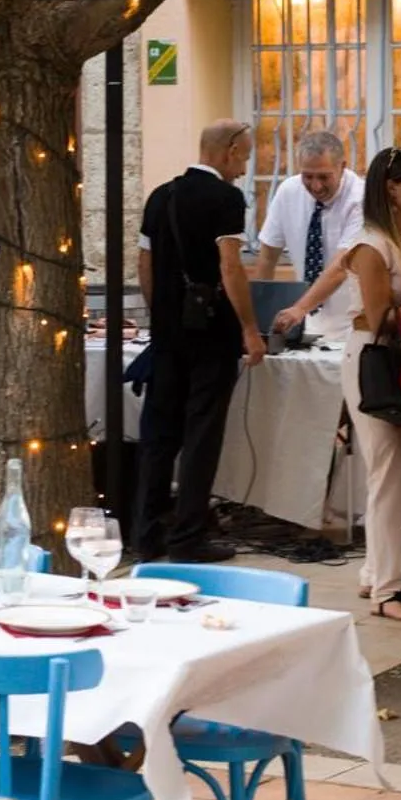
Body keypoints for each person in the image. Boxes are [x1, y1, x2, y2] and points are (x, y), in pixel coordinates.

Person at [136, 120, 265, 563]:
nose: (245, 166)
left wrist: (161, 316)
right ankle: (187, 538)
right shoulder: (226, 199)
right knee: (201, 435)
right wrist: (250, 328)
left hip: (167, 334)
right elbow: (231, 266)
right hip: (212, 333)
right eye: (245, 156)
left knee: (160, 434)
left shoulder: (161, 195)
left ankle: (146, 532)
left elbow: (144, 263)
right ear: (229, 151)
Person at [341, 147, 401, 623]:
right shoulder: (371, 245)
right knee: (387, 472)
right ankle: (386, 589)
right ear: (391, 189)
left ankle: (378, 570)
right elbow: (379, 316)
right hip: (373, 360)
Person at [260, 130, 365, 343]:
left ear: (342, 167)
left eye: (324, 177)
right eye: (308, 177)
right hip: (304, 323)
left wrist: (300, 308)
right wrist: (259, 314)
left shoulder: (360, 198)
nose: (316, 186)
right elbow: (267, 255)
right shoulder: (288, 191)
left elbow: (341, 266)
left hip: (352, 325)